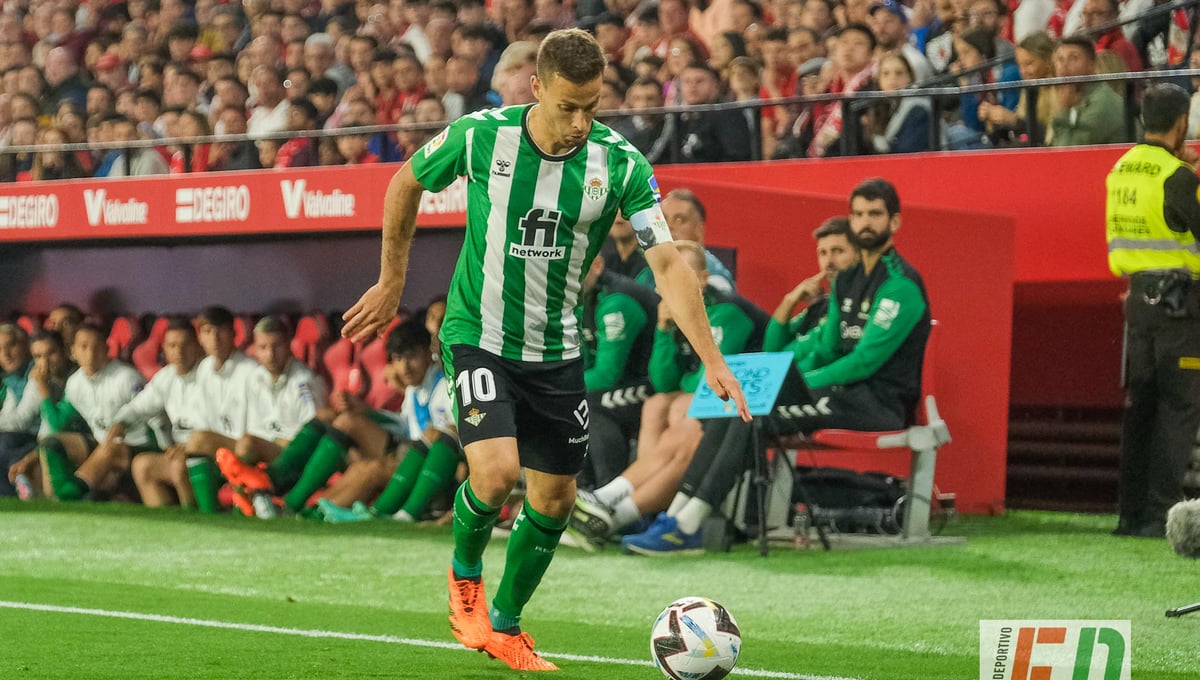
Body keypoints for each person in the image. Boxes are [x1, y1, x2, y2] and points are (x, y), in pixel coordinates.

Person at [340, 28, 749, 671]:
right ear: (536, 88)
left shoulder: (621, 165)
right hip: (478, 335)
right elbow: (404, 183)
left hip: (556, 350)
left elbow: (669, 264)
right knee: (495, 474)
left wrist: (713, 359)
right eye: (567, 107)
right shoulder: (482, 135)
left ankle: (506, 625)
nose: (581, 122)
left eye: (593, 106)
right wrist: (392, 281)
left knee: (555, 499)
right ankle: (465, 579)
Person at [620, 178, 931, 555]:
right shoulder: (846, 280)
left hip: (876, 403)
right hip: (834, 395)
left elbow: (864, 363)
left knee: (753, 414)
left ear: (894, 222)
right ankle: (675, 516)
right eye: (858, 214)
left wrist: (796, 380)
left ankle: (687, 524)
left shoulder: (901, 286)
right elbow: (829, 347)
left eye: (875, 215)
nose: (865, 223)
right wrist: (790, 373)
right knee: (739, 407)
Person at [1105, 83, 1200, 539]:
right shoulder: (1177, 177)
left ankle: (1129, 514)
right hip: (1179, 307)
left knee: (1139, 408)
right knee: (1177, 407)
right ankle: (1159, 514)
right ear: (1181, 122)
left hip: (1138, 302)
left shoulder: (1121, 168)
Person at [316, 320, 461, 523]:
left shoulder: (445, 387)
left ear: (428, 353)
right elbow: (404, 425)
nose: (405, 367)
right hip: (415, 459)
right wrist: (368, 412)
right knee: (360, 466)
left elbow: (453, 441)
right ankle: (315, 512)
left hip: (437, 473)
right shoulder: (414, 389)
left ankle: (376, 514)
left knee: (373, 469)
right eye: (398, 359)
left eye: (412, 356)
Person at [35, 323, 152, 502]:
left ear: (106, 349)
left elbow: (153, 416)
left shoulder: (126, 378)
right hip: (101, 447)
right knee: (51, 443)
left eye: (97, 347)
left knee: (112, 445)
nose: (90, 354)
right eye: (84, 347)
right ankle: (53, 499)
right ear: (73, 351)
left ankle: (69, 494)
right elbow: (58, 424)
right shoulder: (75, 383)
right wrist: (43, 391)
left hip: (136, 447)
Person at [5, 330, 71, 499]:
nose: (44, 362)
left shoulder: (74, 379)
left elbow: (56, 425)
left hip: (73, 440)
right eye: (38, 356)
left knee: (11, 447)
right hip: (45, 440)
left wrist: (42, 388)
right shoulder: (37, 377)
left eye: (51, 353)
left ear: (65, 352)